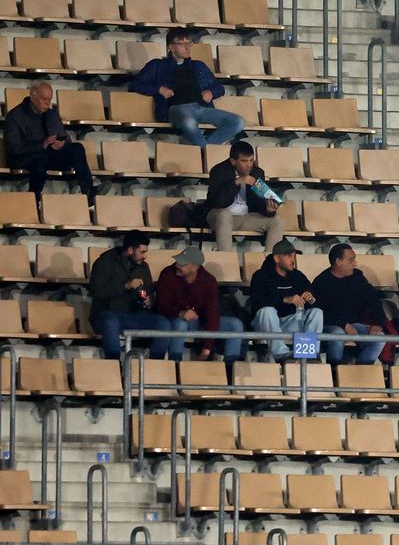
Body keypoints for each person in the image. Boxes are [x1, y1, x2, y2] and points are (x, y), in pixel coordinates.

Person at [129, 27, 245, 146]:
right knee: (189, 121)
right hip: (176, 108)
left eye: (189, 43)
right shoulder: (158, 65)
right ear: (171, 47)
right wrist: (158, 89)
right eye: (181, 44)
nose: (187, 47)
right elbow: (135, 85)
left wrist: (211, 92)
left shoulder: (198, 66)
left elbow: (219, 88)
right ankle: (206, 152)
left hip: (200, 108)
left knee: (237, 122)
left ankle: (205, 148)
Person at [4, 81, 95, 205]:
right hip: (24, 158)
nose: (48, 103)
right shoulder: (15, 116)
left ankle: (88, 191)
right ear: (32, 97)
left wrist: (62, 143)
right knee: (39, 161)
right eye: (44, 99)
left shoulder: (51, 114)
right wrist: (42, 145)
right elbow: (14, 148)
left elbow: (63, 136)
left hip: (48, 155)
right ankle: (32, 201)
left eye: (50, 99)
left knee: (77, 148)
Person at [88, 231, 173, 361]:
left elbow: (148, 291)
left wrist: (147, 301)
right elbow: (96, 291)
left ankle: (156, 365)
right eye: (142, 252)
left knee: (163, 323)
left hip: (134, 315)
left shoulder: (143, 267)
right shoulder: (105, 262)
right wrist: (125, 286)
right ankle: (114, 365)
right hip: (107, 313)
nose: (145, 256)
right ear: (130, 250)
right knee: (110, 322)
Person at [156, 246, 244, 364]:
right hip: (173, 318)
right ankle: (175, 368)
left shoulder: (209, 281)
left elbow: (212, 315)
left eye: (182, 264)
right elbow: (161, 305)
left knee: (235, 325)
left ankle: (230, 372)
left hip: (199, 321)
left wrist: (206, 350)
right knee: (179, 324)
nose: (177, 265)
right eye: (178, 261)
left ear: (195, 267)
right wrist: (180, 312)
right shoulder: (167, 274)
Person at [247, 238, 323, 363]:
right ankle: (281, 355)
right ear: (277, 259)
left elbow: (314, 298)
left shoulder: (297, 276)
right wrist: (284, 299)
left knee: (316, 312)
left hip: (291, 321)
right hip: (265, 324)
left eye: (293, 256)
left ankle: (308, 355)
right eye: (288, 256)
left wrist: (311, 299)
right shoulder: (261, 276)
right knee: (267, 311)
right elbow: (257, 302)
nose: (293, 260)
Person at [203, 139, 285, 251]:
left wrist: (269, 210)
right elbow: (216, 202)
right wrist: (237, 182)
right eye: (244, 161)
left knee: (277, 220)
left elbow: (258, 203)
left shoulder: (257, 173)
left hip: (244, 217)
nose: (249, 165)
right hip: (219, 216)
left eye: (251, 161)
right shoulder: (219, 171)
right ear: (233, 161)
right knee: (224, 214)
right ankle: (227, 260)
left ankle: (270, 261)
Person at [312, 243, 387, 365]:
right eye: (351, 260)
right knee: (338, 333)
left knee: (379, 338)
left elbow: (372, 299)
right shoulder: (321, 282)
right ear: (338, 262)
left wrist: (378, 322)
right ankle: (334, 372)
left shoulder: (357, 277)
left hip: (354, 325)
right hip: (330, 326)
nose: (355, 263)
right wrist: (343, 324)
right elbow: (318, 312)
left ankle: (360, 372)